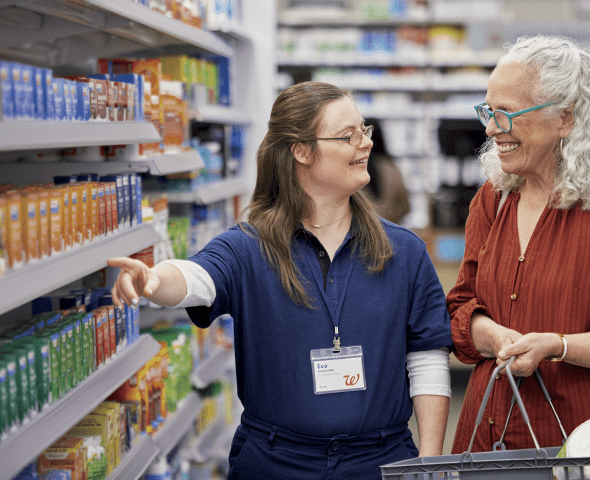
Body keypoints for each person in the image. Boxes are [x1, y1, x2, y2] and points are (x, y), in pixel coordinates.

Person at [108, 81, 452, 479]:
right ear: (302, 152)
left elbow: (426, 359)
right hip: (275, 462)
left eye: (365, 131)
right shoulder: (249, 247)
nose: (366, 144)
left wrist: (429, 463)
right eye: (348, 136)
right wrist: (152, 279)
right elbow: (198, 276)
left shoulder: (403, 252)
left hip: (379, 462)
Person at [447, 35, 590, 454]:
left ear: (565, 119)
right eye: (489, 112)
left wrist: (558, 346)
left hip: (579, 443)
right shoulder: (493, 199)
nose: (492, 128)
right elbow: (461, 306)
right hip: (489, 433)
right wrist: (488, 332)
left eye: (507, 114)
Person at [362, 119, 411, 224]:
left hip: (361, 233)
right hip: (389, 233)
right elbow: (406, 207)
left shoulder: (354, 168)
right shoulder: (392, 169)